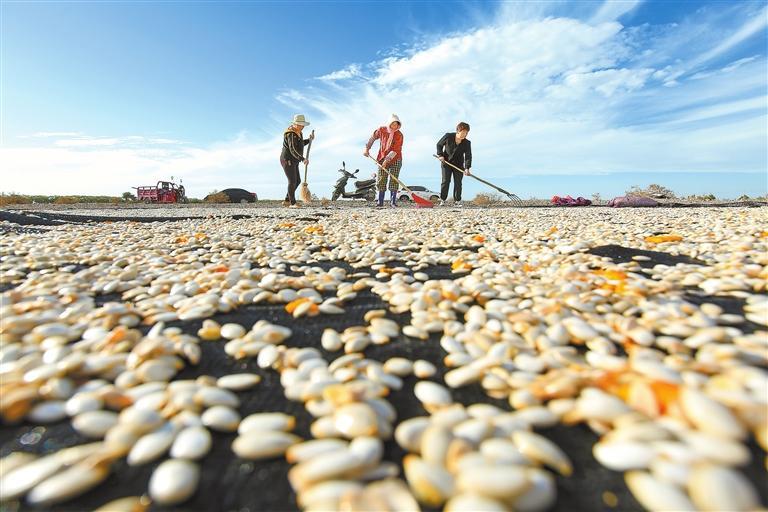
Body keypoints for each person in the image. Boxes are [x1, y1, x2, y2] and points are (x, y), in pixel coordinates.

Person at [363, 114, 403, 207]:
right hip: (381, 157)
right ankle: (380, 202)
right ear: (389, 123)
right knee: (381, 178)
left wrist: (387, 160)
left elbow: (396, 150)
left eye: (396, 124)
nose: (395, 126)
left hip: (396, 158)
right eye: (393, 124)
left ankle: (393, 202)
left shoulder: (399, 135)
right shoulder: (381, 130)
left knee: (394, 179)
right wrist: (367, 149)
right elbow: (372, 138)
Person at [280, 114, 314, 208]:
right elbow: (292, 149)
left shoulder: (299, 133)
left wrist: (309, 140)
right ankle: (292, 203)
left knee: (298, 181)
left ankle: (287, 200)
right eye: (300, 125)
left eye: (303, 125)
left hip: (295, 160)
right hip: (287, 159)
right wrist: (303, 159)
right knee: (292, 181)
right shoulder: (290, 134)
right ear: (295, 124)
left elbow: (300, 144)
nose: (302, 127)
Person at [436, 122, 472, 207]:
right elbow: (439, 145)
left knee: (458, 182)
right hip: (446, 162)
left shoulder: (467, 143)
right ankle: (442, 199)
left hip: (458, 165)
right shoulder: (448, 136)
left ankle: (457, 201)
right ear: (458, 131)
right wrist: (440, 155)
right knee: (445, 181)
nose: (465, 135)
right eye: (463, 132)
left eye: (466, 133)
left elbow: (468, 156)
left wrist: (467, 168)